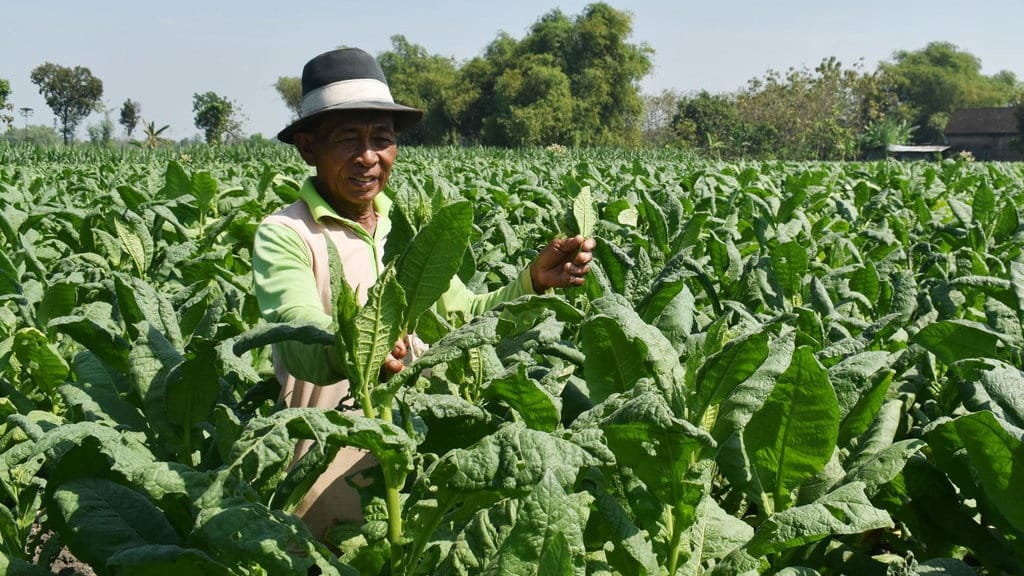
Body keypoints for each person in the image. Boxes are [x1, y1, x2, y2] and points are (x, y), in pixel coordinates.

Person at [252, 47, 595, 539]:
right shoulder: (286, 233)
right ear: (309, 148)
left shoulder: (406, 227)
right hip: (327, 467)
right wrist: (360, 346)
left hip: (416, 461)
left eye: (382, 139)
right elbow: (295, 331)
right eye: (348, 139)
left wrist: (533, 282)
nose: (368, 156)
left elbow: (462, 318)